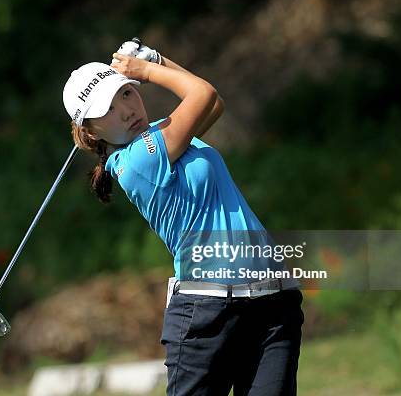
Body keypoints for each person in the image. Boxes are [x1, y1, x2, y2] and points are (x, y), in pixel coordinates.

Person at [62, 40, 305, 396]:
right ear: (91, 132)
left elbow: (213, 104)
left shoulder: (161, 134)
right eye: (109, 109)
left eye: (127, 94)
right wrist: (146, 70)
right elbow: (202, 92)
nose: (127, 110)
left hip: (271, 302)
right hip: (209, 313)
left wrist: (157, 59)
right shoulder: (136, 161)